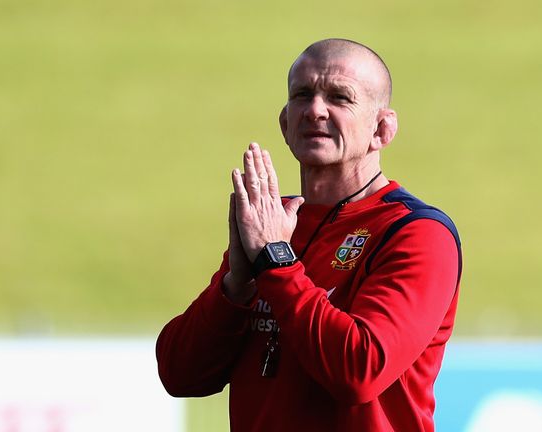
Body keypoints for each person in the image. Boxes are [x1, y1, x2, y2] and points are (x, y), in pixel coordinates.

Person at [156, 38, 462, 432]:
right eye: (303, 94)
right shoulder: (273, 220)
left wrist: (275, 260)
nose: (316, 110)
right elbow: (179, 374)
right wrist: (236, 286)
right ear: (285, 123)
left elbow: (360, 370)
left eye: (340, 97)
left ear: (382, 129)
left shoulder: (417, 234)